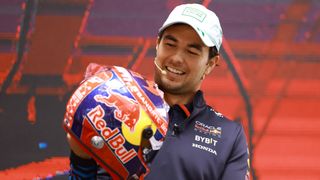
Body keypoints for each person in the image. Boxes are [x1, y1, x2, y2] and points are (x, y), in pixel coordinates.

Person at [66, 3, 250, 180]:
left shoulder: (229, 135)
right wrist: (80, 157)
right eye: (170, 44)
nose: (177, 58)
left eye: (192, 51)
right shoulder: (114, 105)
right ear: (157, 45)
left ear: (210, 64)